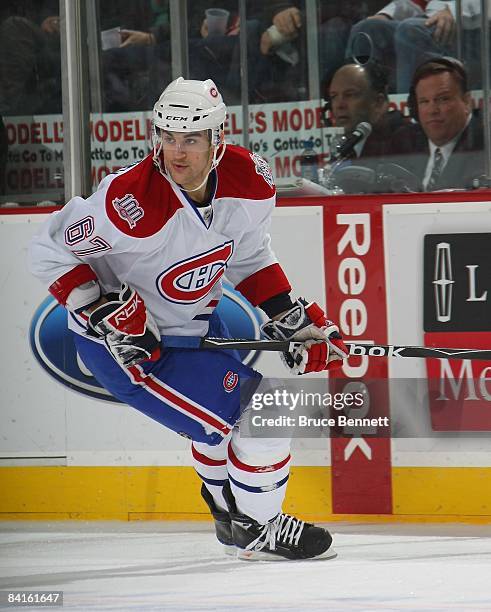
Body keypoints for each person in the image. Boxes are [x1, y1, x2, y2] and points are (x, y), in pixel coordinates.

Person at [28, 77, 348, 561]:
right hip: (129, 351)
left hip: (197, 322)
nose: (177, 152)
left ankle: (230, 518)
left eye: (192, 139)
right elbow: (49, 252)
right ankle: (258, 529)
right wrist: (100, 308)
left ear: (218, 138)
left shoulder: (250, 179)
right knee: (268, 410)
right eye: (168, 137)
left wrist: (288, 315)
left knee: (220, 428)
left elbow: (248, 256)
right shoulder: (128, 203)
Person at [390, 56, 485, 191]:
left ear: (467, 102)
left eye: (443, 99)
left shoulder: (485, 144)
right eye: (424, 102)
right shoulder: (404, 142)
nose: (432, 110)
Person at [325, 61, 409, 192]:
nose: (339, 105)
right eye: (334, 96)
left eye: (350, 95)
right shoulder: (347, 146)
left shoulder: (403, 141)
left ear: (378, 103)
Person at [346, 0, 457, 92]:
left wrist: (452, 10)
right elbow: (416, 3)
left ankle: (409, 106)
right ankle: (362, 101)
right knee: (366, 27)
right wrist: (386, 14)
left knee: (409, 30)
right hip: (425, 18)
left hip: (460, 22)